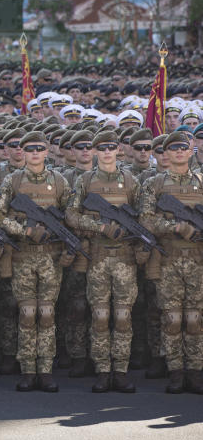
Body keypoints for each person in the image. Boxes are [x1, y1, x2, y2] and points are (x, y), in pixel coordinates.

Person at [0, 131, 71, 393]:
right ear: (22, 153)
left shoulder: (59, 181)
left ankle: (45, 370)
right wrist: (23, 230)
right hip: (24, 255)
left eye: (39, 149)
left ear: (47, 152)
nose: (35, 153)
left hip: (50, 256)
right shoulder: (12, 181)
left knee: (46, 314)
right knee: (26, 314)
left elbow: (70, 215)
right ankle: (27, 370)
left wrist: (55, 229)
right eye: (29, 149)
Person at [65, 130, 140, 393]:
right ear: (96, 152)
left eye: (111, 147)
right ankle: (102, 370)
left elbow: (142, 218)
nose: (107, 152)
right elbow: (72, 216)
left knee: (122, 317)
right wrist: (101, 227)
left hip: (124, 259)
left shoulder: (131, 181)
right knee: (99, 316)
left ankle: (119, 370)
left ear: (118, 149)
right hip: (97, 257)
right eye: (102, 148)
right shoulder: (84, 181)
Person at [138, 130, 203, 394]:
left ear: (190, 151)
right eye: (173, 148)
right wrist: (176, 227)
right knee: (172, 319)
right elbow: (145, 220)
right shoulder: (154, 184)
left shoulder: (201, 181)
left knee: (196, 319)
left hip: (197, 262)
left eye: (183, 147)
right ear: (166, 153)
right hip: (169, 260)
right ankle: (176, 371)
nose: (178, 152)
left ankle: (196, 372)